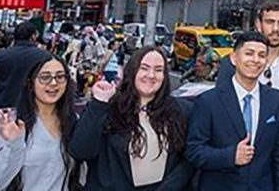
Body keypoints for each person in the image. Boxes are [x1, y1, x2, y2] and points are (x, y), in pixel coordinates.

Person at [71, 46, 193, 190]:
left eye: (158, 70)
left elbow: (189, 160)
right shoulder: (108, 108)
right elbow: (80, 150)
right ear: (132, 71)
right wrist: (99, 104)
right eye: (144, 68)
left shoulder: (182, 111)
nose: (151, 75)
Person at [187, 31, 279, 190]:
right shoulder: (208, 101)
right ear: (234, 58)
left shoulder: (277, 100)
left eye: (262, 55)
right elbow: (194, 152)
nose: (255, 60)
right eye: (249, 53)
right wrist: (230, 156)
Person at [216, 0, 279, 170]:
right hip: (240, 151)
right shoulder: (231, 62)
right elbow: (220, 107)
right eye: (269, 22)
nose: (275, 29)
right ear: (258, 24)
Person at [0, 53, 80, 191]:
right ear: (30, 83)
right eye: (45, 77)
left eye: (60, 77)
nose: (53, 83)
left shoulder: (74, 121)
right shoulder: (8, 124)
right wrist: (13, 145)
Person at [0, 22, 49, 109]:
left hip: (2, 108)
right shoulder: (45, 57)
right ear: (33, 36)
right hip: (33, 108)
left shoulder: (1, 55)